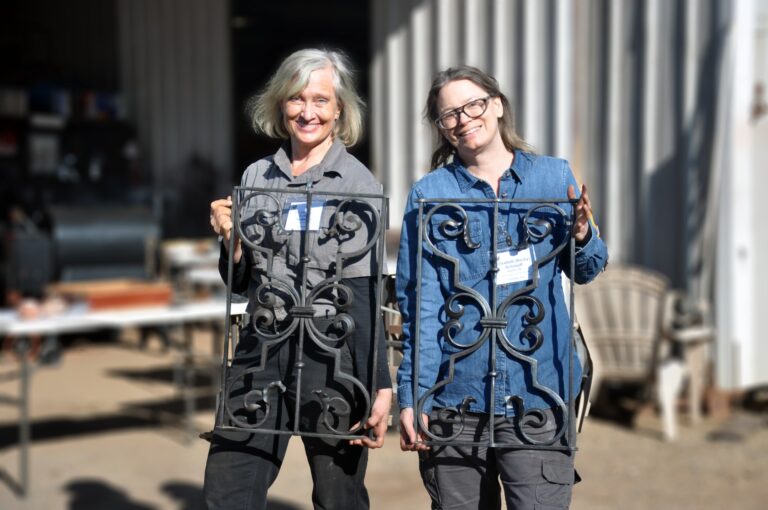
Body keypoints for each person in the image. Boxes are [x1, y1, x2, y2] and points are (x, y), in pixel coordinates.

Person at [395, 65, 609, 509]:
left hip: (539, 393)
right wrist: (413, 396)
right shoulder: (430, 194)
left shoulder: (553, 178)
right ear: (441, 127)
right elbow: (421, 305)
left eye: (473, 105)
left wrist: (582, 234)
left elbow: (587, 269)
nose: (463, 119)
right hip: (456, 399)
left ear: (496, 106)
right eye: (449, 113)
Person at [204, 48, 392, 510]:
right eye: (297, 99)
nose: (308, 112)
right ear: (280, 103)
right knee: (228, 490)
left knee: (338, 497)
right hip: (262, 347)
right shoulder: (257, 176)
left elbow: (365, 293)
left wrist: (380, 383)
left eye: (320, 100)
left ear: (339, 109)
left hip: (333, 355)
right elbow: (241, 282)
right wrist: (231, 243)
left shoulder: (357, 184)